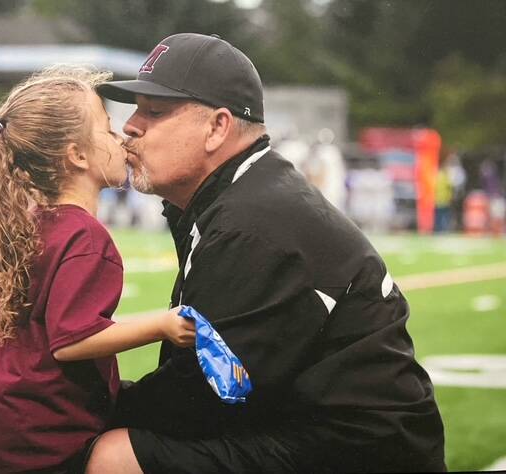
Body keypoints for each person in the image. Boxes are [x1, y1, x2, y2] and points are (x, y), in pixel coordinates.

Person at [90, 33, 447, 473]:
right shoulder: (245, 197)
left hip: (358, 452)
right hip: (326, 431)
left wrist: (81, 409)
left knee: (114, 457)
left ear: (217, 127)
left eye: (155, 111)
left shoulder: (252, 224)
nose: (131, 125)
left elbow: (205, 396)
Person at [0, 65, 195, 473]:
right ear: (77, 155)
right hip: (33, 448)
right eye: (107, 126)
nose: (121, 138)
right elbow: (71, 341)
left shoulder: (18, 232)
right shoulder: (85, 239)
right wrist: (164, 325)